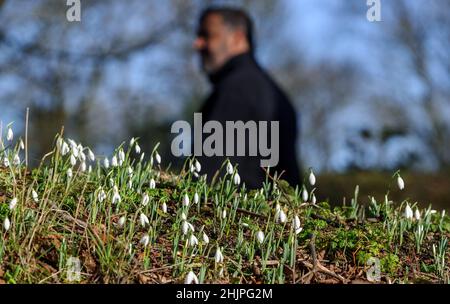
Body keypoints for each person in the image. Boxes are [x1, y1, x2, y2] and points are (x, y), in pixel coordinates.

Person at [193, 6, 300, 189]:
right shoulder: (266, 88)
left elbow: (208, 175)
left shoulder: (238, 89)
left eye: (207, 35)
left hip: (240, 212)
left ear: (238, 38)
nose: (198, 44)